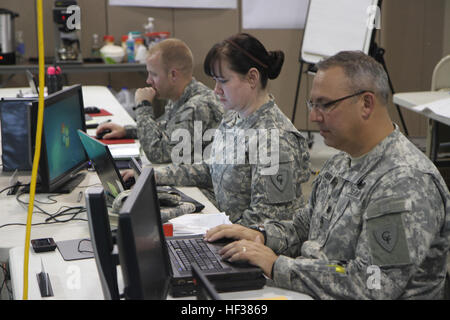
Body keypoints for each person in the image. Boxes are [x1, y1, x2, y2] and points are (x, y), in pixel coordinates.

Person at [205, 51, 450, 299]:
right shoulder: (341, 161)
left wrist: (277, 265)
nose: (313, 116)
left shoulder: (404, 181)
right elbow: (306, 224)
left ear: (366, 103)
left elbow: (372, 284)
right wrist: (262, 235)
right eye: (312, 104)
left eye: (326, 104)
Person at [154, 33, 311, 227]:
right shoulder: (234, 118)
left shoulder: (274, 140)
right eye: (215, 81)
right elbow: (213, 167)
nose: (216, 90)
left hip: (250, 246)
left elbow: (267, 223)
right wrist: (157, 176)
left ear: (252, 77)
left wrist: (216, 232)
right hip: (228, 233)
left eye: (223, 81)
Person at [96, 38, 224, 164]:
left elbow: (158, 153)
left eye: (154, 74)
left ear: (173, 75)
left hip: (200, 183)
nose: (148, 81)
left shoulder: (196, 106)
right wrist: (127, 131)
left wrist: (143, 106)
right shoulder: (181, 95)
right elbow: (165, 129)